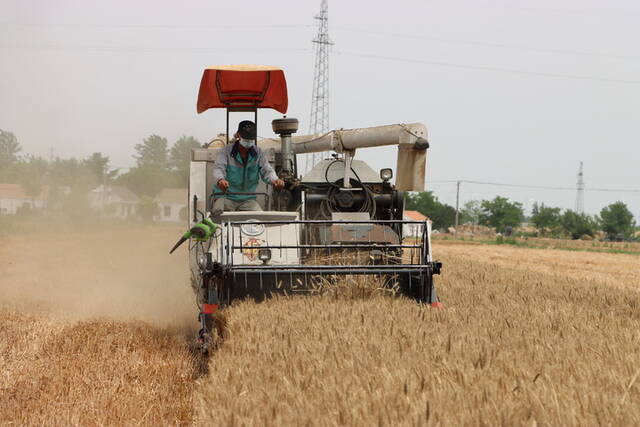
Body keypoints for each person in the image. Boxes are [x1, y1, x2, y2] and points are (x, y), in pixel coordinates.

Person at [212, 120, 284, 212]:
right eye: (246, 138)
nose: (248, 142)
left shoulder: (259, 154)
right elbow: (219, 168)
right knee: (217, 216)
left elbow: (267, 170)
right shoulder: (225, 151)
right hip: (225, 197)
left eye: (251, 139)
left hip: (248, 200)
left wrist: (275, 180)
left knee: (258, 219)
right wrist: (220, 180)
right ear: (238, 135)